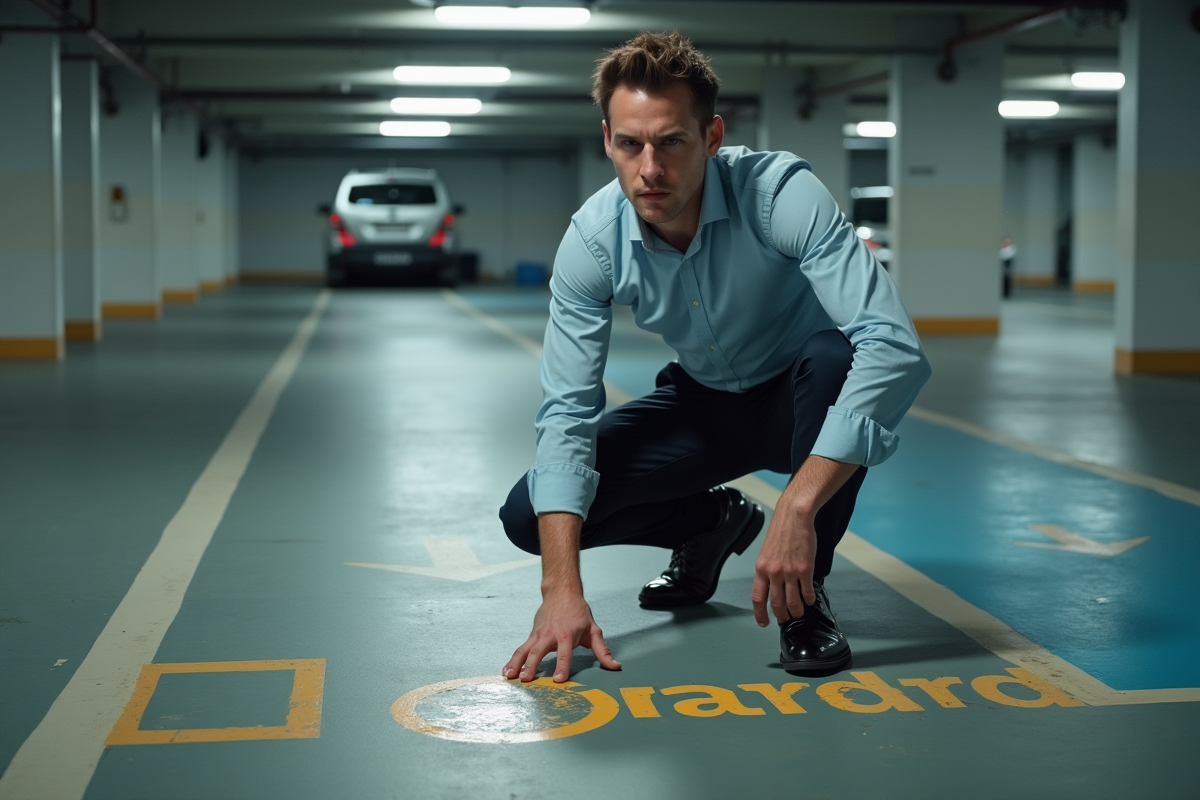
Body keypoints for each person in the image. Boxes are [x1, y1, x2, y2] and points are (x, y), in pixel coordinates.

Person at [498, 31, 930, 684]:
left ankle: (805, 601)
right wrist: (559, 590)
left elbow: (892, 345)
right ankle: (712, 522)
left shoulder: (780, 194)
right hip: (704, 407)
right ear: (606, 140)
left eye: (671, 141)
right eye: (630, 144)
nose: (650, 169)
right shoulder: (593, 240)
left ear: (712, 137)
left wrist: (797, 506)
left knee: (837, 356)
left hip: (803, 399)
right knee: (530, 517)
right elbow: (568, 411)